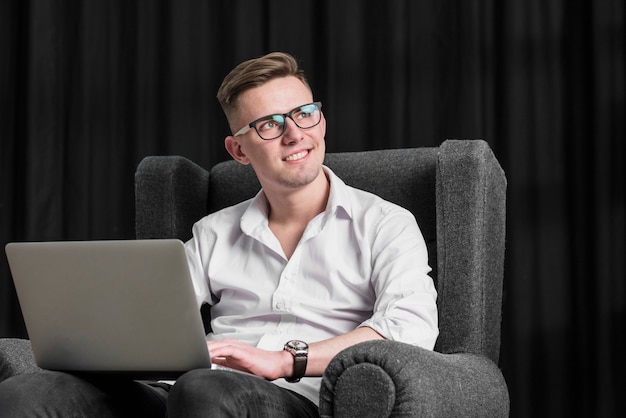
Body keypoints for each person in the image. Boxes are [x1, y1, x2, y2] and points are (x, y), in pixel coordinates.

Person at [0, 52, 438, 417]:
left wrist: (285, 360)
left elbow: (410, 327)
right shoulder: (212, 232)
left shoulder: (385, 223)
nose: (294, 134)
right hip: (182, 392)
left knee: (205, 392)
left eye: (304, 114)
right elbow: (154, 321)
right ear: (239, 150)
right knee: (26, 395)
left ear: (320, 121)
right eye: (269, 124)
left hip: (295, 398)